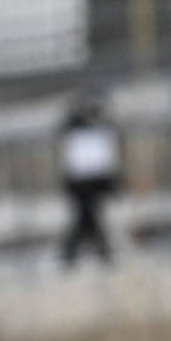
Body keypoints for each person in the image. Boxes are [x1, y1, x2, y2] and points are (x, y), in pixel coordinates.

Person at [55, 90, 124, 268]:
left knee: (88, 217)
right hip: (82, 182)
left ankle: (84, 252)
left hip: (88, 181)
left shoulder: (92, 129)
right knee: (87, 217)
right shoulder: (78, 129)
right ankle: (96, 251)